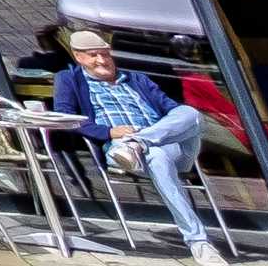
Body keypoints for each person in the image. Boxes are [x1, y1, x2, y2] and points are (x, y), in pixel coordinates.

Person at [49, 29, 225, 263]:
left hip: (162, 142)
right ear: (78, 56)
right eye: (93, 55)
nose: (102, 60)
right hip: (120, 149)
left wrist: (146, 136)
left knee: (189, 113)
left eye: (105, 54)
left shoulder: (137, 79)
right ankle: (198, 242)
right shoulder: (70, 79)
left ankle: (140, 142)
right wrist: (109, 132)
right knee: (158, 156)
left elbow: (171, 109)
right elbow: (66, 119)